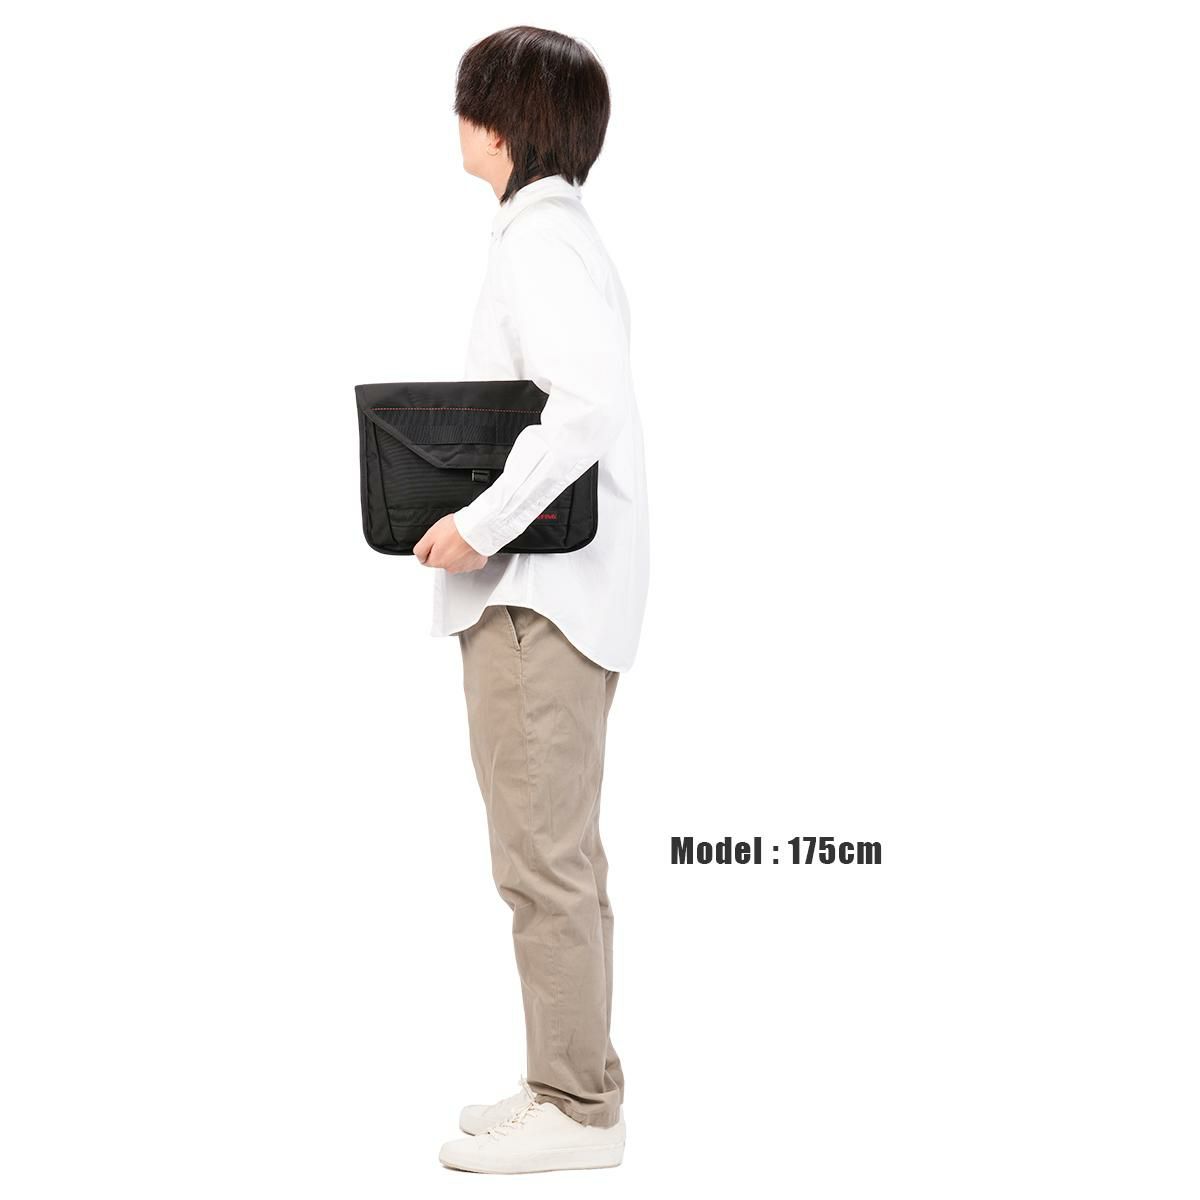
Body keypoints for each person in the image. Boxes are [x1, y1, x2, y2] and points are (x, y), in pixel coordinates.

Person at [411, 25, 649, 1175]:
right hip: (559, 601)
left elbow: (583, 406)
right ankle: (572, 1081)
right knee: (561, 856)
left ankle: (575, 1108)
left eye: (469, 103)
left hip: (536, 603)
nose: (457, 121)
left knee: (541, 861)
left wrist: (478, 525)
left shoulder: (541, 241)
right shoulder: (553, 234)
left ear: (502, 124)